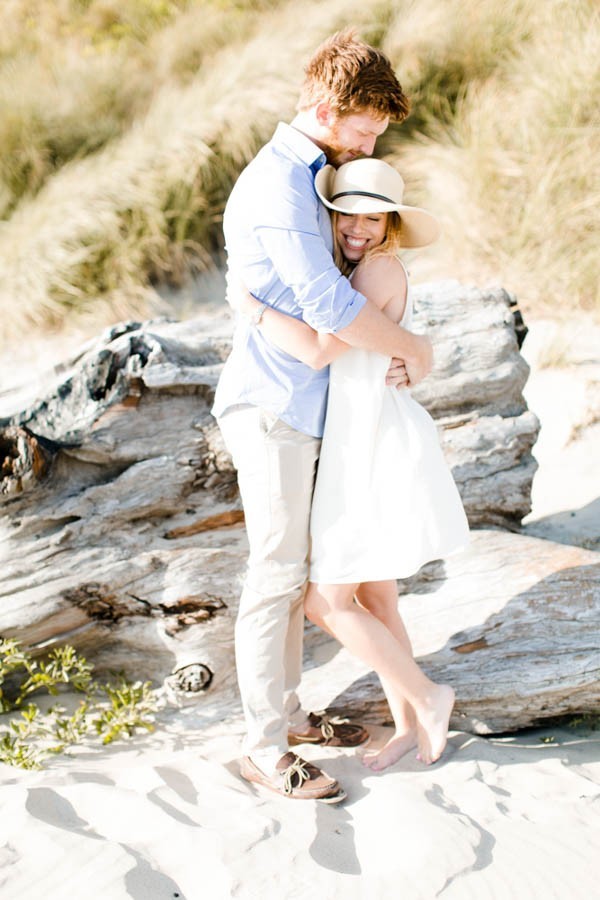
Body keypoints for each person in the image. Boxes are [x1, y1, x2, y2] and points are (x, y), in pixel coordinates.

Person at [212, 29, 432, 802]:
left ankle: (292, 714)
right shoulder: (278, 184)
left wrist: (394, 348)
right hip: (274, 401)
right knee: (275, 577)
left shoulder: (314, 178)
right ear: (323, 108)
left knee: (298, 571)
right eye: (365, 130)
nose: (369, 143)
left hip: (311, 404)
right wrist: (414, 347)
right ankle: (263, 748)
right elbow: (324, 311)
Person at [237, 157, 470, 773]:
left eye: (372, 217)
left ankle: (427, 694)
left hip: (368, 447)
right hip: (362, 435)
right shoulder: (366, 270)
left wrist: (255, 310)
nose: (357, 228)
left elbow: (317, 350)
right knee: (379, 598)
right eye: (347, 215)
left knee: (327, 602)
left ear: (391, 222)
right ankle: (408, 728)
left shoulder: (376, 272)